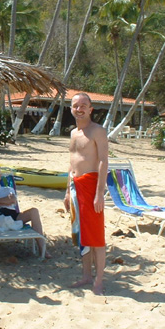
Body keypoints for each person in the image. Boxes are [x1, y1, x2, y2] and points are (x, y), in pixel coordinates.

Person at [63, 93, 108, 295]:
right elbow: (72, 163)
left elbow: (103, 161)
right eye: (75, 105)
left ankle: (98, 280)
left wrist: (100, 193)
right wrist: (67, 191)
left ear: (91, 109)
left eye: (83, 105)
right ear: (71, 109)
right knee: (82, 235)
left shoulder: (97, 131)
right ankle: (86, 275)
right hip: (75, 186)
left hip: (91, 186)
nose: (79, 109)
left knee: (96, 237)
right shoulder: (73, 133)